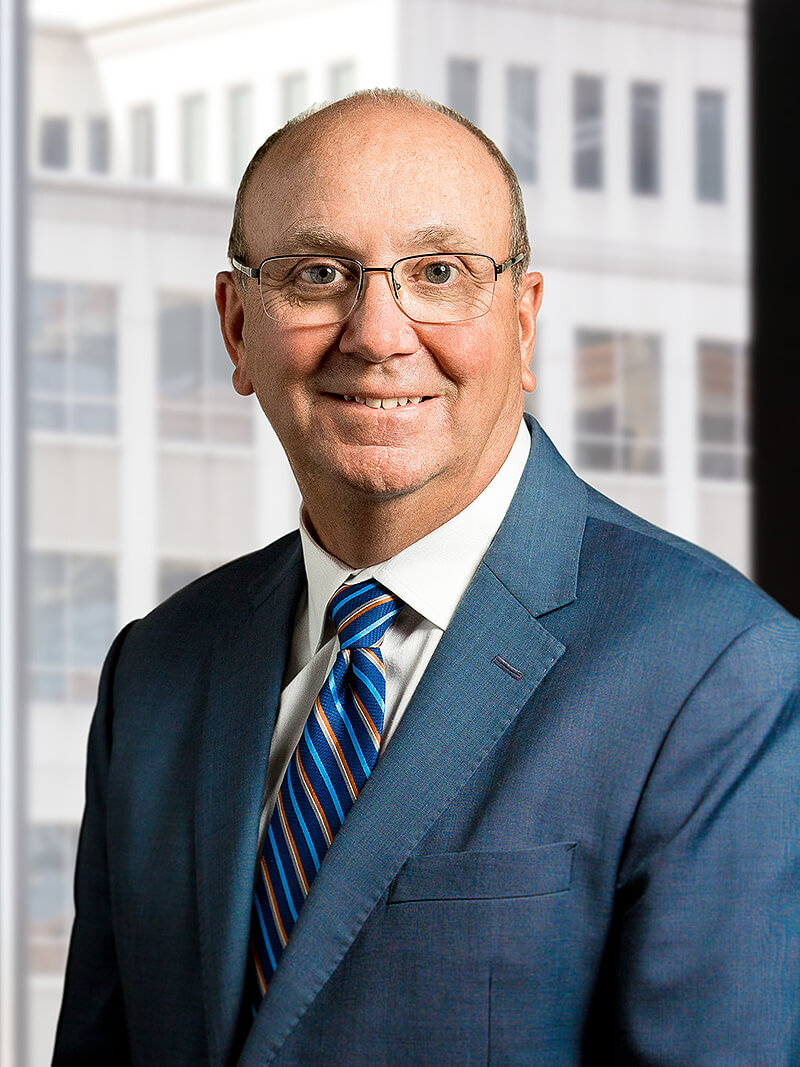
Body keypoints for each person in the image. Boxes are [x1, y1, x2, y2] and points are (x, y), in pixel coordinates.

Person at [53, 89, 799, 1066]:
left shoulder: (720, 672)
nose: (376, 332)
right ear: (236, 328)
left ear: (523, 322)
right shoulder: (156, 668)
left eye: (439, 272)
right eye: (318, 273)